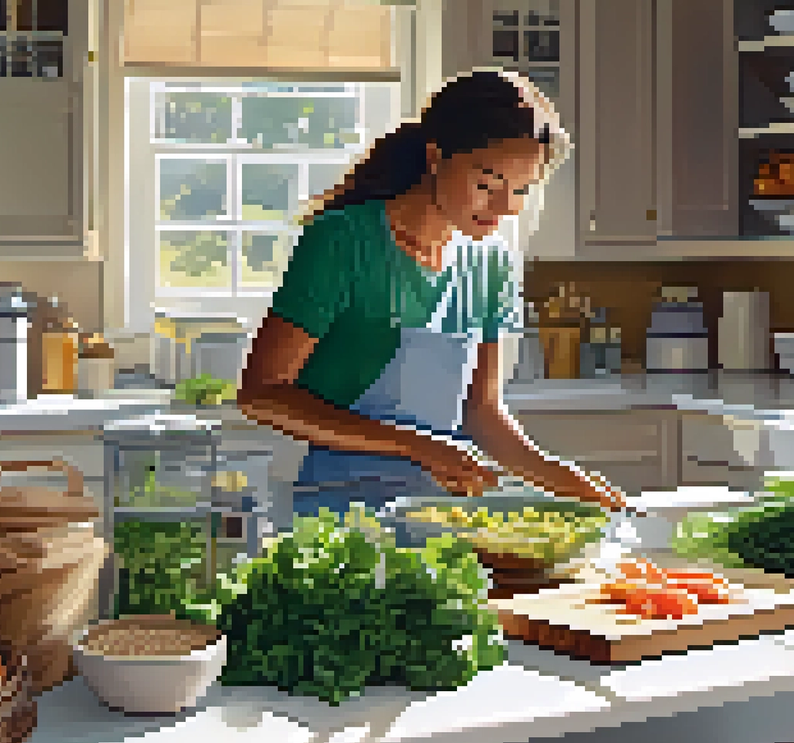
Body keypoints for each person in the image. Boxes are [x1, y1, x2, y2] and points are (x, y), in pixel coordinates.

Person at [238, 68, 627, 519]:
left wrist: (557, 476)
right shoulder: (344, 241)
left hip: (440, 515)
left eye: (521, 190)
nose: (503, 208)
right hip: (329, 510)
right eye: (487, 184)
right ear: (436, 157)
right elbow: (262, 393)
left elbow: (481, 411)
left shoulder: (491, 263)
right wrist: (420, 447)